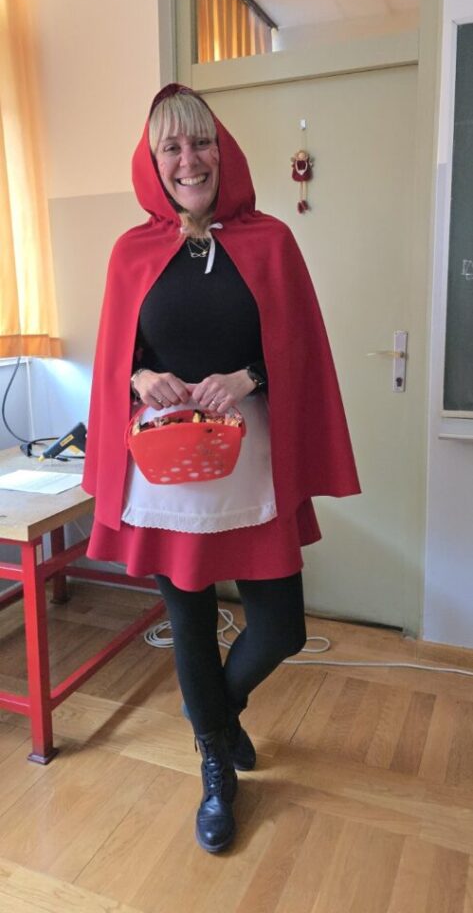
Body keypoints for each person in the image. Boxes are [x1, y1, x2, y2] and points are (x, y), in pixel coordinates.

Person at [83, 83, 360, 854]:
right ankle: (215, 765)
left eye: (199, 141)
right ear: (152, 162)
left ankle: (212, 713)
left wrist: (246, 377)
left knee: (281, 628)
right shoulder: (130, 251)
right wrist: (142, 378)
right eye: (170, 147)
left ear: (222, 150)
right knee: (190, 624)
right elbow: (117, 359)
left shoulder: (271, 241)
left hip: (251, 467)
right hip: (167, 469)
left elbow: (298, 348)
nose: (188, 159)